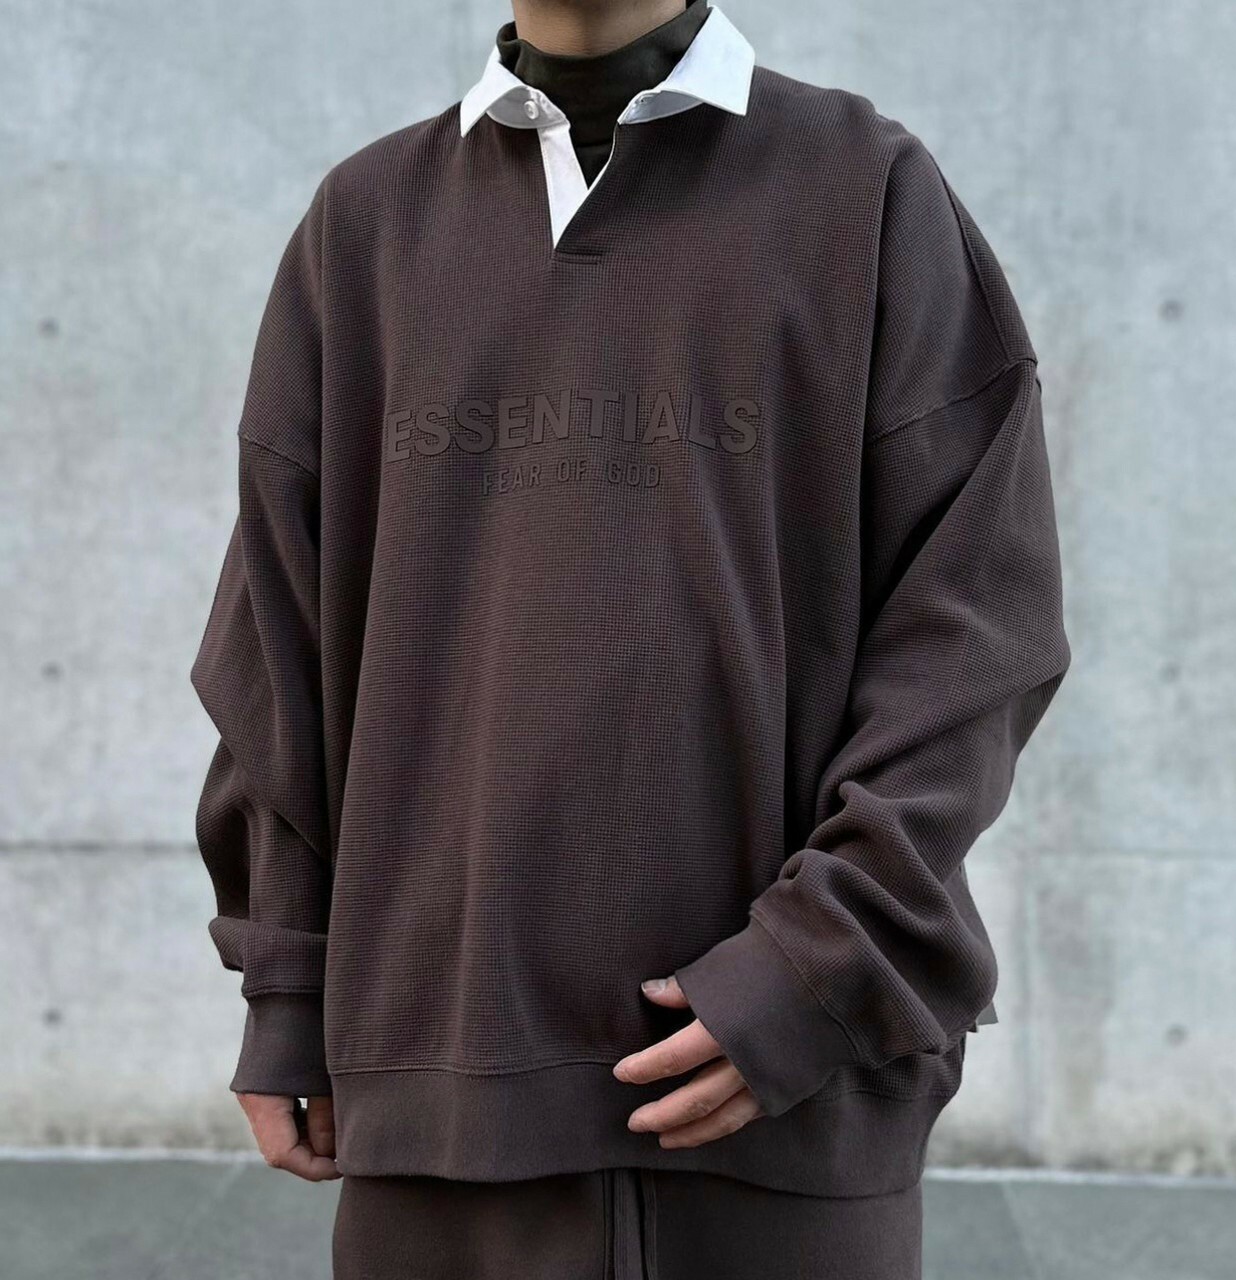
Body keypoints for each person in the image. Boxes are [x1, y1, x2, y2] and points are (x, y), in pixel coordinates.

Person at [189, 0, 1071, 1275]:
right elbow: (278, 644)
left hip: (783, 1122)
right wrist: (287, 980)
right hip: (444, 1108)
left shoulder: (865, 192)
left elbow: (974, 628)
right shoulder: (366, 224)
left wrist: (818, 965)